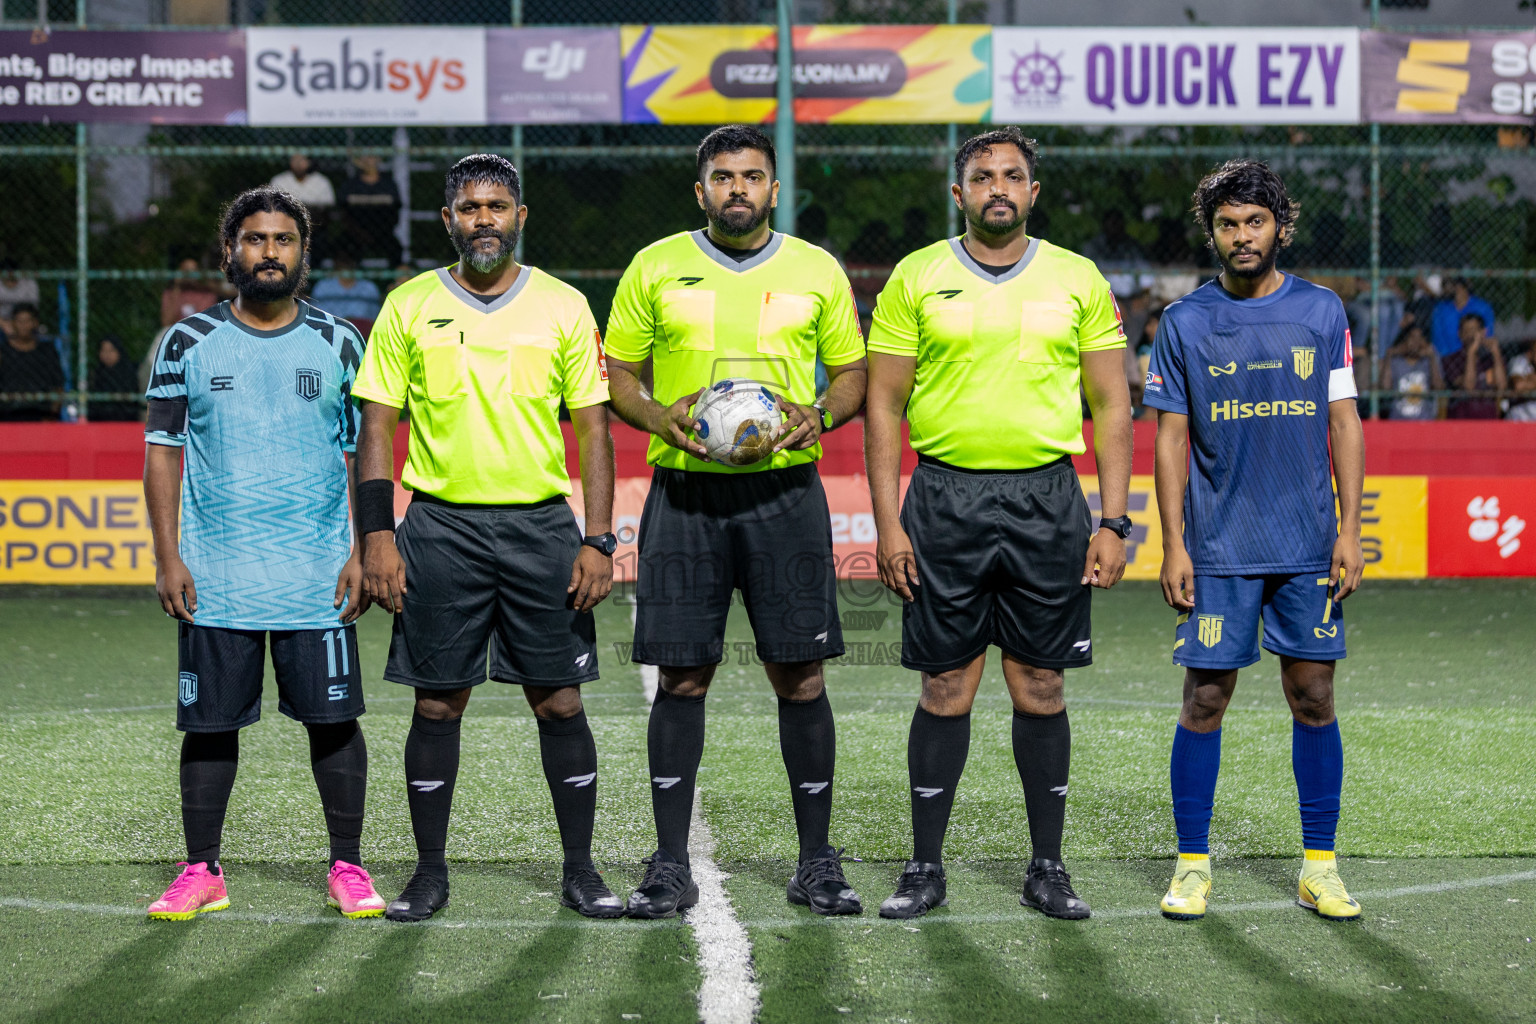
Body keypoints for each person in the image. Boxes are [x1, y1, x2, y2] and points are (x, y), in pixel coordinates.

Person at [865, 127, 1133, 921]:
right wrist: (889, 524)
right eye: (982, 176)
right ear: (960, 193)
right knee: (946, 685)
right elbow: (881, 405)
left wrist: (1114, 520)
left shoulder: (1078, 278)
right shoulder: (918, 276)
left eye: (1012, 175)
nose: (998, 188)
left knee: (1041, 685)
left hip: (1048, 502)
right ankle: (923, 867)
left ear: (1033, 192)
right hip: (943, 500)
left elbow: (1113, 403)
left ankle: (1047, 867)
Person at [604, 124, 868, 919]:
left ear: (774, 188)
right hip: (686, 495)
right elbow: (616, 372)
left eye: (752, 176)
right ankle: (669, 865)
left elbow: (852, 373)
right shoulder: (655, 265)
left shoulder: (816, 268)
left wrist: (818, 412)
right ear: (701, 191)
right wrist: (655, 415)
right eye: (723, 177)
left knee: (803, 674)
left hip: (786, 494)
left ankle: (817, 862)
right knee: (683, 677)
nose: (738, 189)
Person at [353, 154, 622, 922]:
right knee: (437, 706)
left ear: (520, 216)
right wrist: (378, 535)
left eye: (497, 206)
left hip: (542, 527)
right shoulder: (407, 306)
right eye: (469, 207)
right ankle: (428, 874)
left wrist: (598, 539)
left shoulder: (564, 306)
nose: (483, 219)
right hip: (439, 526)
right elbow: (376, 426)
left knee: (560, 702)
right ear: (448, 220)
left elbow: (593, 430)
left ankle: (580, 871)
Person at [141, 186, 383, 922]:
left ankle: (347, 865)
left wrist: (360, 546)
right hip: (217, 574)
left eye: (283, 240)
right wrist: (168, 555)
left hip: (317, 572)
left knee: (333, 722)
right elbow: (161, 454)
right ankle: (202, 870)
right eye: (255, 239)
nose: (269, 251)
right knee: (209, 725)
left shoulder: (341, 341)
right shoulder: (187, 342)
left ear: (302, 254)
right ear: (230, 252)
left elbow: (362, 451)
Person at [1144, 159, 1367, 923]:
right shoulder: (1184, 323)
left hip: (1307, 543)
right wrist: (1172, 544)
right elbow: (1169, 441)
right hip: (1217, 550)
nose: (1242, 237)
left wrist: (1351, 530)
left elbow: (1344, 423)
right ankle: (1192, 866)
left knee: (1314, 695)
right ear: (1213, 234)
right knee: (1205, 698)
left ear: (1280, 227)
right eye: (1228, 225)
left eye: (1255, 222)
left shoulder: (1321, 311)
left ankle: (1320, 866)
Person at [0, 303, 65, 420]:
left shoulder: (47, 351)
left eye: (27, 321)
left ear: (35, 323)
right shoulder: (3, 352)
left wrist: (51, 416)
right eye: (19, 321)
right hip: (7, 416)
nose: (23, 325)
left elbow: (58, 386)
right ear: (13, 323)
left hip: (40, 415)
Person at [338, 155, 403, 265]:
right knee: (343, 245)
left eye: (372, 157)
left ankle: (394, 282)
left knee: (395, 249)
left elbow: (395, 210)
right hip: (356, 231)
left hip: (383, 230)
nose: (368, 161)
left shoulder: (388, 184)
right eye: (364, 157)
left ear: (379, 159)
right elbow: (343, 210)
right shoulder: (351, 184)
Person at [1442, 312, 1507, 420]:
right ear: (1460, 334)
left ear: (1483, 332)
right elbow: (1469, 387)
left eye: (1474, 330)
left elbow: (1501, 386)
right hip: (1461, 421)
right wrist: (1471, 352)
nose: (1470, 335)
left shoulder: (1491, 359)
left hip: (1488, 419)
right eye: (1466, 331)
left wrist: (1495, 352)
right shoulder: (1450, 360)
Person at [1377, 325, 1443, 421]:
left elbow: (1438, 387)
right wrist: (1389, 355)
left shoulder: (1428, 361)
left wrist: (1432, 357)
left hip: (1424, 420)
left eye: (1419, 338)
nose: (1415, 343)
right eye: (1412, 338)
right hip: (1398, 420)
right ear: (1405, 340)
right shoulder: (1396, 362)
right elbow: (1385, 387)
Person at [310, 255, 383, 333]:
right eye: (342, 260)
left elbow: (375, 320)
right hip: (330, 331)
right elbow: (316, 318)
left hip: (360, 332)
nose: (345, 263)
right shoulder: (323, 286)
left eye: (349, 260)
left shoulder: (368, 287)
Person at [1429, 277, 1495, 357]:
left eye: (1459, 287)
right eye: (1454, 287)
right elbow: (1437, 338)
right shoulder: (1440, 309)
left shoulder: (1483, 307)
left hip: (1477, 354)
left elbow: (1488, 333)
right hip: (1448, 358)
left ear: (1466, 288)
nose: (1457, 290)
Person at [87, 335, 141, 421]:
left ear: (119, 351)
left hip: (125, 421)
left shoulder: (128, 372)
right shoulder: (97, 374)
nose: (107, 354)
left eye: (111, 350)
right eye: (103, 350)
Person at [160, 258, 222, 328]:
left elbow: (205, 321)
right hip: (175, 329)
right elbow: (166, 322)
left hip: (198, 330)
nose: (190, 275)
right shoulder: (171, 293)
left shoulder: (206, 293)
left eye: (193, 271)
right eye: (186, 271)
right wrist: (177, 288)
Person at [270, 153, 336, 211]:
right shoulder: (279, 180)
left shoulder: (321, 181)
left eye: (301, 160)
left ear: (309, 162)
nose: (298, 164)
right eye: (295, 160)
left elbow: (329, 204)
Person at [0, 260, 40, 334]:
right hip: (3, 322)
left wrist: (18, 323)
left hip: (24, 320)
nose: (10, 280)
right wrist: (4, 324)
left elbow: (33, 310)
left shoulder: (29, 284)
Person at [1506, 339, 1536, 422]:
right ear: (1530, 353)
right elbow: (1518, 386)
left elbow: (1524, 385)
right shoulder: (1519, 361)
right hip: (1518, 420)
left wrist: (1529, 380)